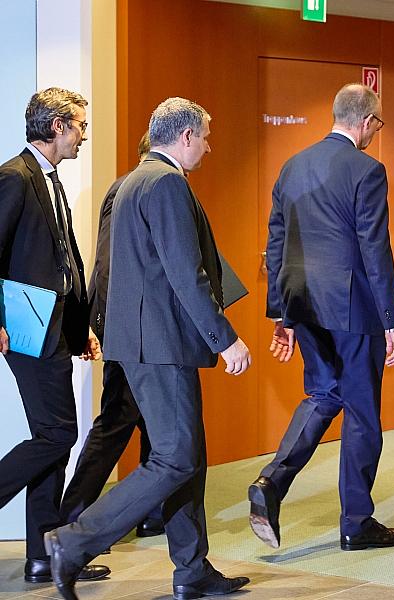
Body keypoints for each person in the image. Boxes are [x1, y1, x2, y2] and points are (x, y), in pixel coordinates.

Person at [42, 97, 252, 600]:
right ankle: (73, 542)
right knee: (176, 457)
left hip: (144, 343)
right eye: (205, 137)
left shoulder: (133, 181)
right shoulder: (166, 183)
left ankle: (192, 570)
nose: (208, 147)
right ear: (185, 136)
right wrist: (225, 338)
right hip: (161, 345)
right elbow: (185, 273)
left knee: (186, 456)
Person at [249, 83, 394, 552]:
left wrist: (280, 313)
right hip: (353, 307)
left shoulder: (292, 166)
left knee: (323, 394)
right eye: (377, 125)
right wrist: (392, 319)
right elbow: (375, 248)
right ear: (366, 121)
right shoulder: (368, 170)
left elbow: (276, 242)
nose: (376, 133)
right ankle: (356, 522)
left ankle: (271, 481)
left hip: (302, 303)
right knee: (361, 410)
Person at [0, 87, 109, 584]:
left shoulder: (49, 178)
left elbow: (62, 261)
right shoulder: (14, 177)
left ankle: (43, 556)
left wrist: (79, 327)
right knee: (59, 434)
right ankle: (46, 551)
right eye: (80, 125)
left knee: (55, 439)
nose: (84, 135)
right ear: (57, 126)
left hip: (57, 327)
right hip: (27, 329)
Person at [59, 132, 164, 538]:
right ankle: (73, 520)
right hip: (128, 326)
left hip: (137, 325)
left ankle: (154, 512)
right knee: (119, 418)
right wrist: (102, 323)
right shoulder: (134, 189)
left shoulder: (132, 188)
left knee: (154, 421)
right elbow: (107, 262)